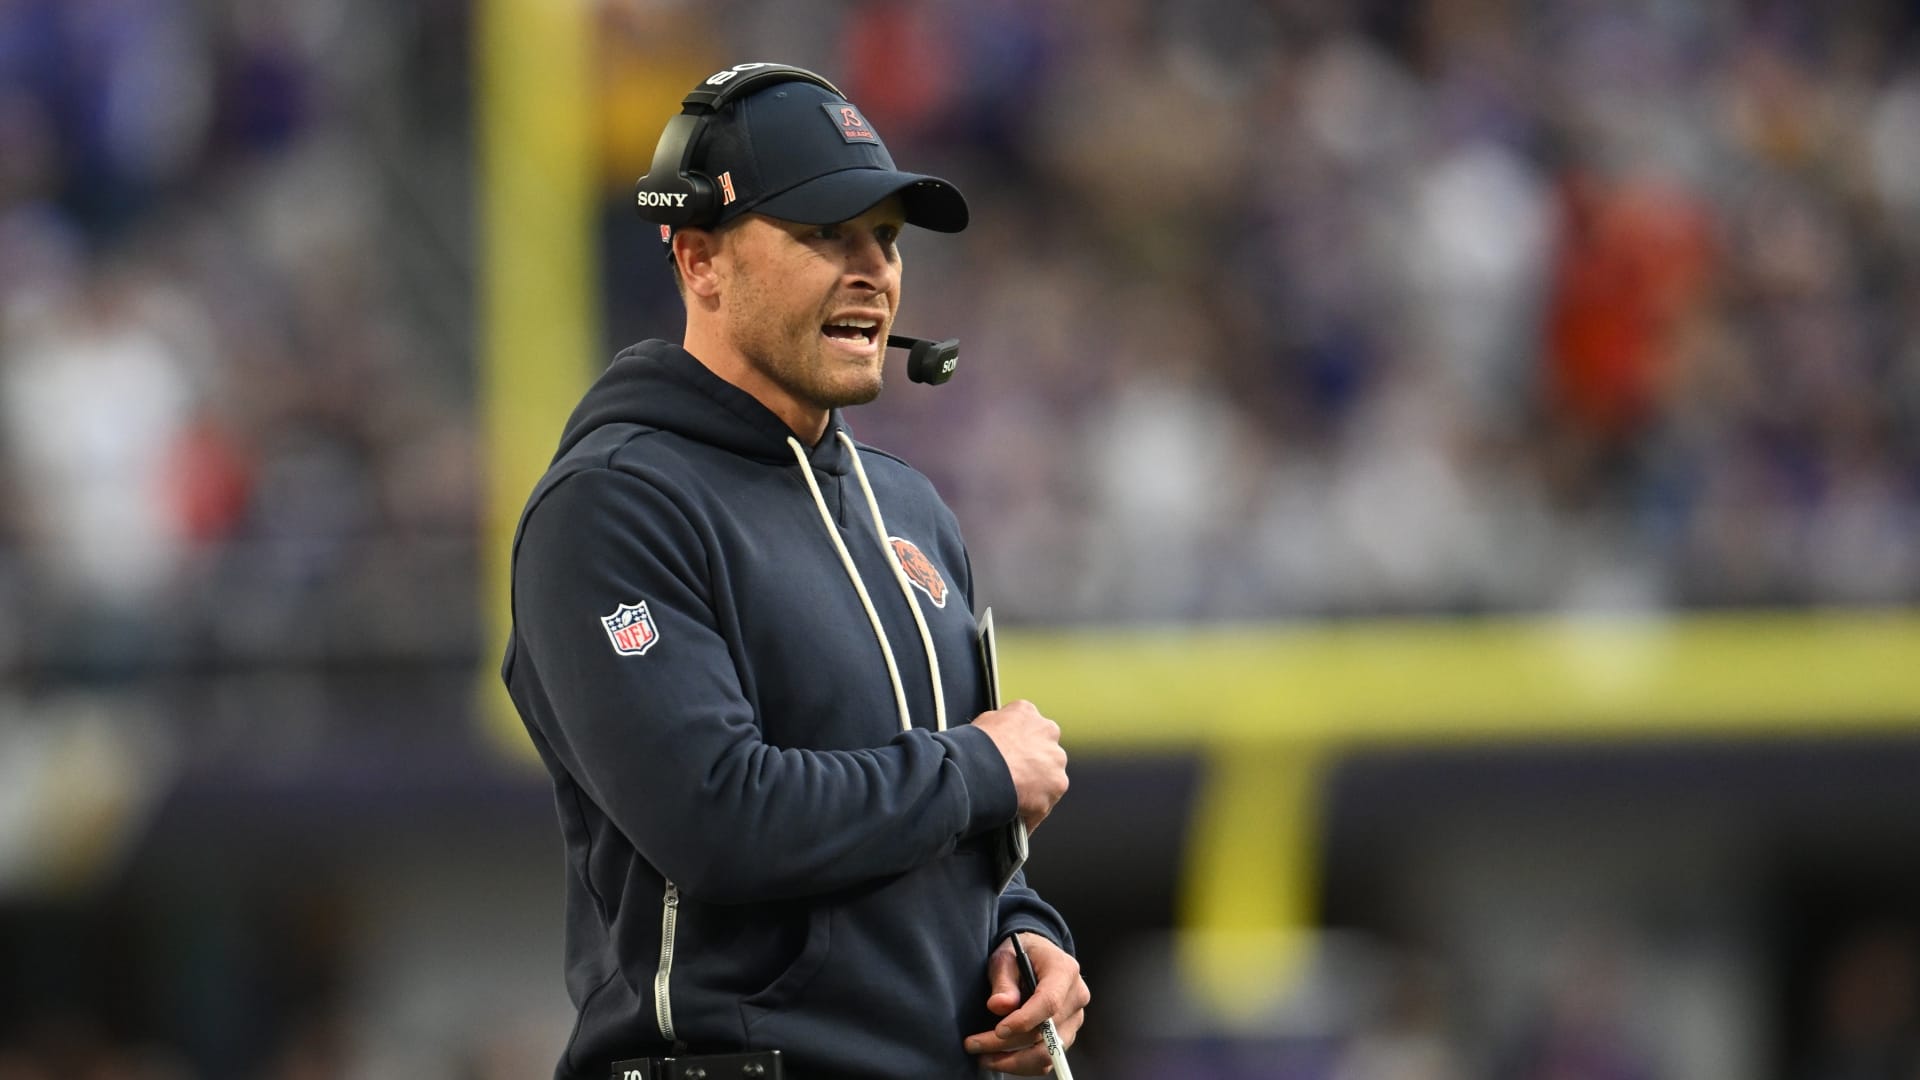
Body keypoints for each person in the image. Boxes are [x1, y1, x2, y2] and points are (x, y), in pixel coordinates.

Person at [501, 63, 1089, 1080]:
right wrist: (983, 768)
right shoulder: (612, 505)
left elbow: (952, 837)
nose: (873, 271)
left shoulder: (909, 507)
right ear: (699, 261)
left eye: (887, 240)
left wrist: (1024, 938)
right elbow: (718, 816)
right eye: (825, 234)